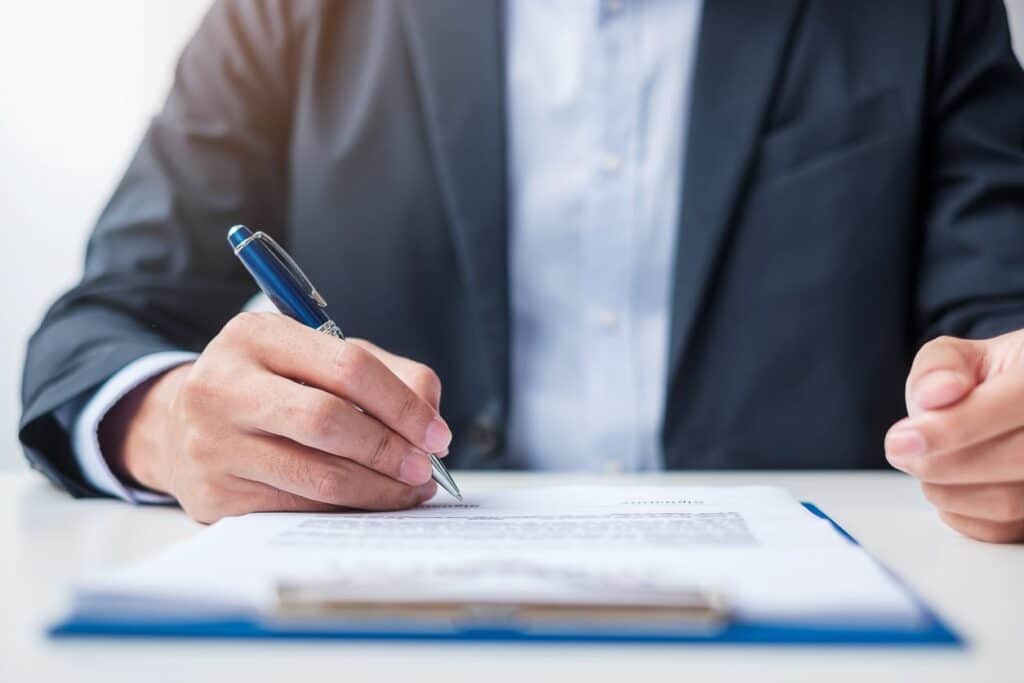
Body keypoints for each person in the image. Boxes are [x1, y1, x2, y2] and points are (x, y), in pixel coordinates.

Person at [19, 0, 1024, 541]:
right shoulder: (293, 12)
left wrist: (1002, 407)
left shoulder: (922, 11)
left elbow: (1001, 317)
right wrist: (166, 423)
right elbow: (96, 328)